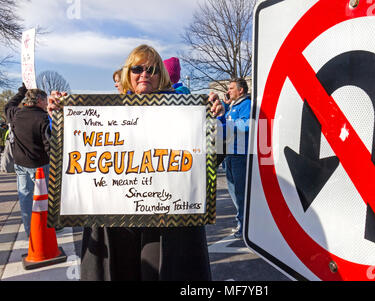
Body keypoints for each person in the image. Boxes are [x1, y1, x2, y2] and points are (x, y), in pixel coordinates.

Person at [62, 44, 223, 281]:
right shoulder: (106, 114)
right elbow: (70, 152)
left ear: (162, 76)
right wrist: (59, 117)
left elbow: (211, 158)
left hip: (166, 223)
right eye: (137, 68)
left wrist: (215, 124)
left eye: (152, 69)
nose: (144, 74)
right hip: (117, 223)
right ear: (128, 74)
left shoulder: (185, 114)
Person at [4, 85, 50, 237]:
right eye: (46, 101)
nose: (47, 104)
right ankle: (48, 227)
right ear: (39, 100)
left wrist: (21, 92)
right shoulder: (43, 118)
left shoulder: (16, 114)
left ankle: (30, 230)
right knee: (46, 197)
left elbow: (8, 105)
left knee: (25, 197)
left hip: (21, 163)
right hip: (40, 164)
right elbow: (48, 144)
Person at [210, 78, 251, 238]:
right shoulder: (233, 107)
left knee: (240, 193)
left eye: (231, 88)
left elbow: (248, 124)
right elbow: (223, 124)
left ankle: (244, 225)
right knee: (234, 192)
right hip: (230, 155)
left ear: (241, 90)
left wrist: (228, 125)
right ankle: (242, 222)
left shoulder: (245, 105)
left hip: (240, 155)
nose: (228, 91)